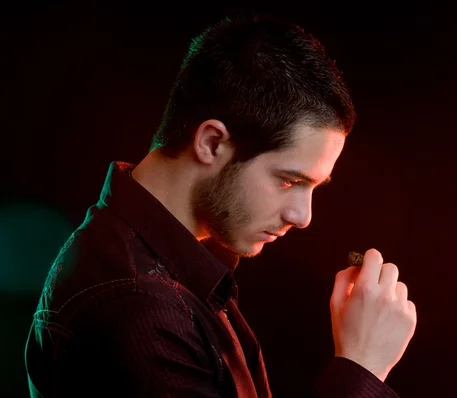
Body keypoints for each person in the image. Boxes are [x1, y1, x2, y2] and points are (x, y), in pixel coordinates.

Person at [24, 14, 417, 397]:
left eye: (313, 187)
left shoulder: (174, 272)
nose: (303, 217)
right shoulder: (139, 305)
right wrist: (362, 366)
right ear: (211, 143)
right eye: (289, 180)